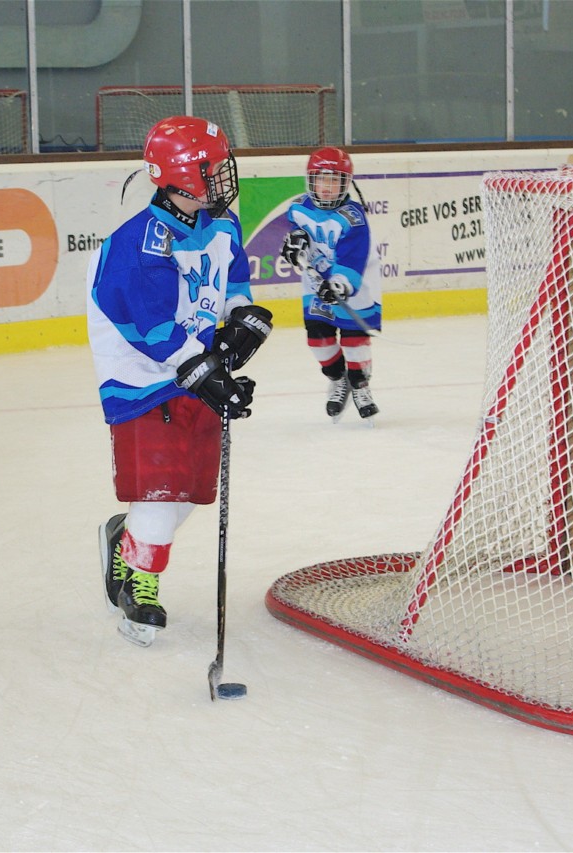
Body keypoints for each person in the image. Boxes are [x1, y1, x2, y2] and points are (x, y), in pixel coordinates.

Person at [86, 115, 273, 647]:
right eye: (212, 168)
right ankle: (140, 586)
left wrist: (241, 317)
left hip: (191, 369)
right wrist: (205, 370)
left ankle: (127, 538)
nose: (223, 177)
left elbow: (232, 280)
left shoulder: (222, 224)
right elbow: (152, 330)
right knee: (160, 492)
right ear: (181, 175)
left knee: (188, 492)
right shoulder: (140, 244)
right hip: (142, 382)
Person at [280, 147, 383, 422]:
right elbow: (296, 235)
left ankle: (360, 384)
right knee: (318, 340)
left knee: (354, 341)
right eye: (321, 179)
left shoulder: (353, 218)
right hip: (316, 285)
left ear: (346, 183)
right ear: (310, 180)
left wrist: (339, 284)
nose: (326, 187)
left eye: (334, 180)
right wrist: (294, 245)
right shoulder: (298, 208)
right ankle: (338, 379)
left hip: (355, 284)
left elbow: (352, 259)